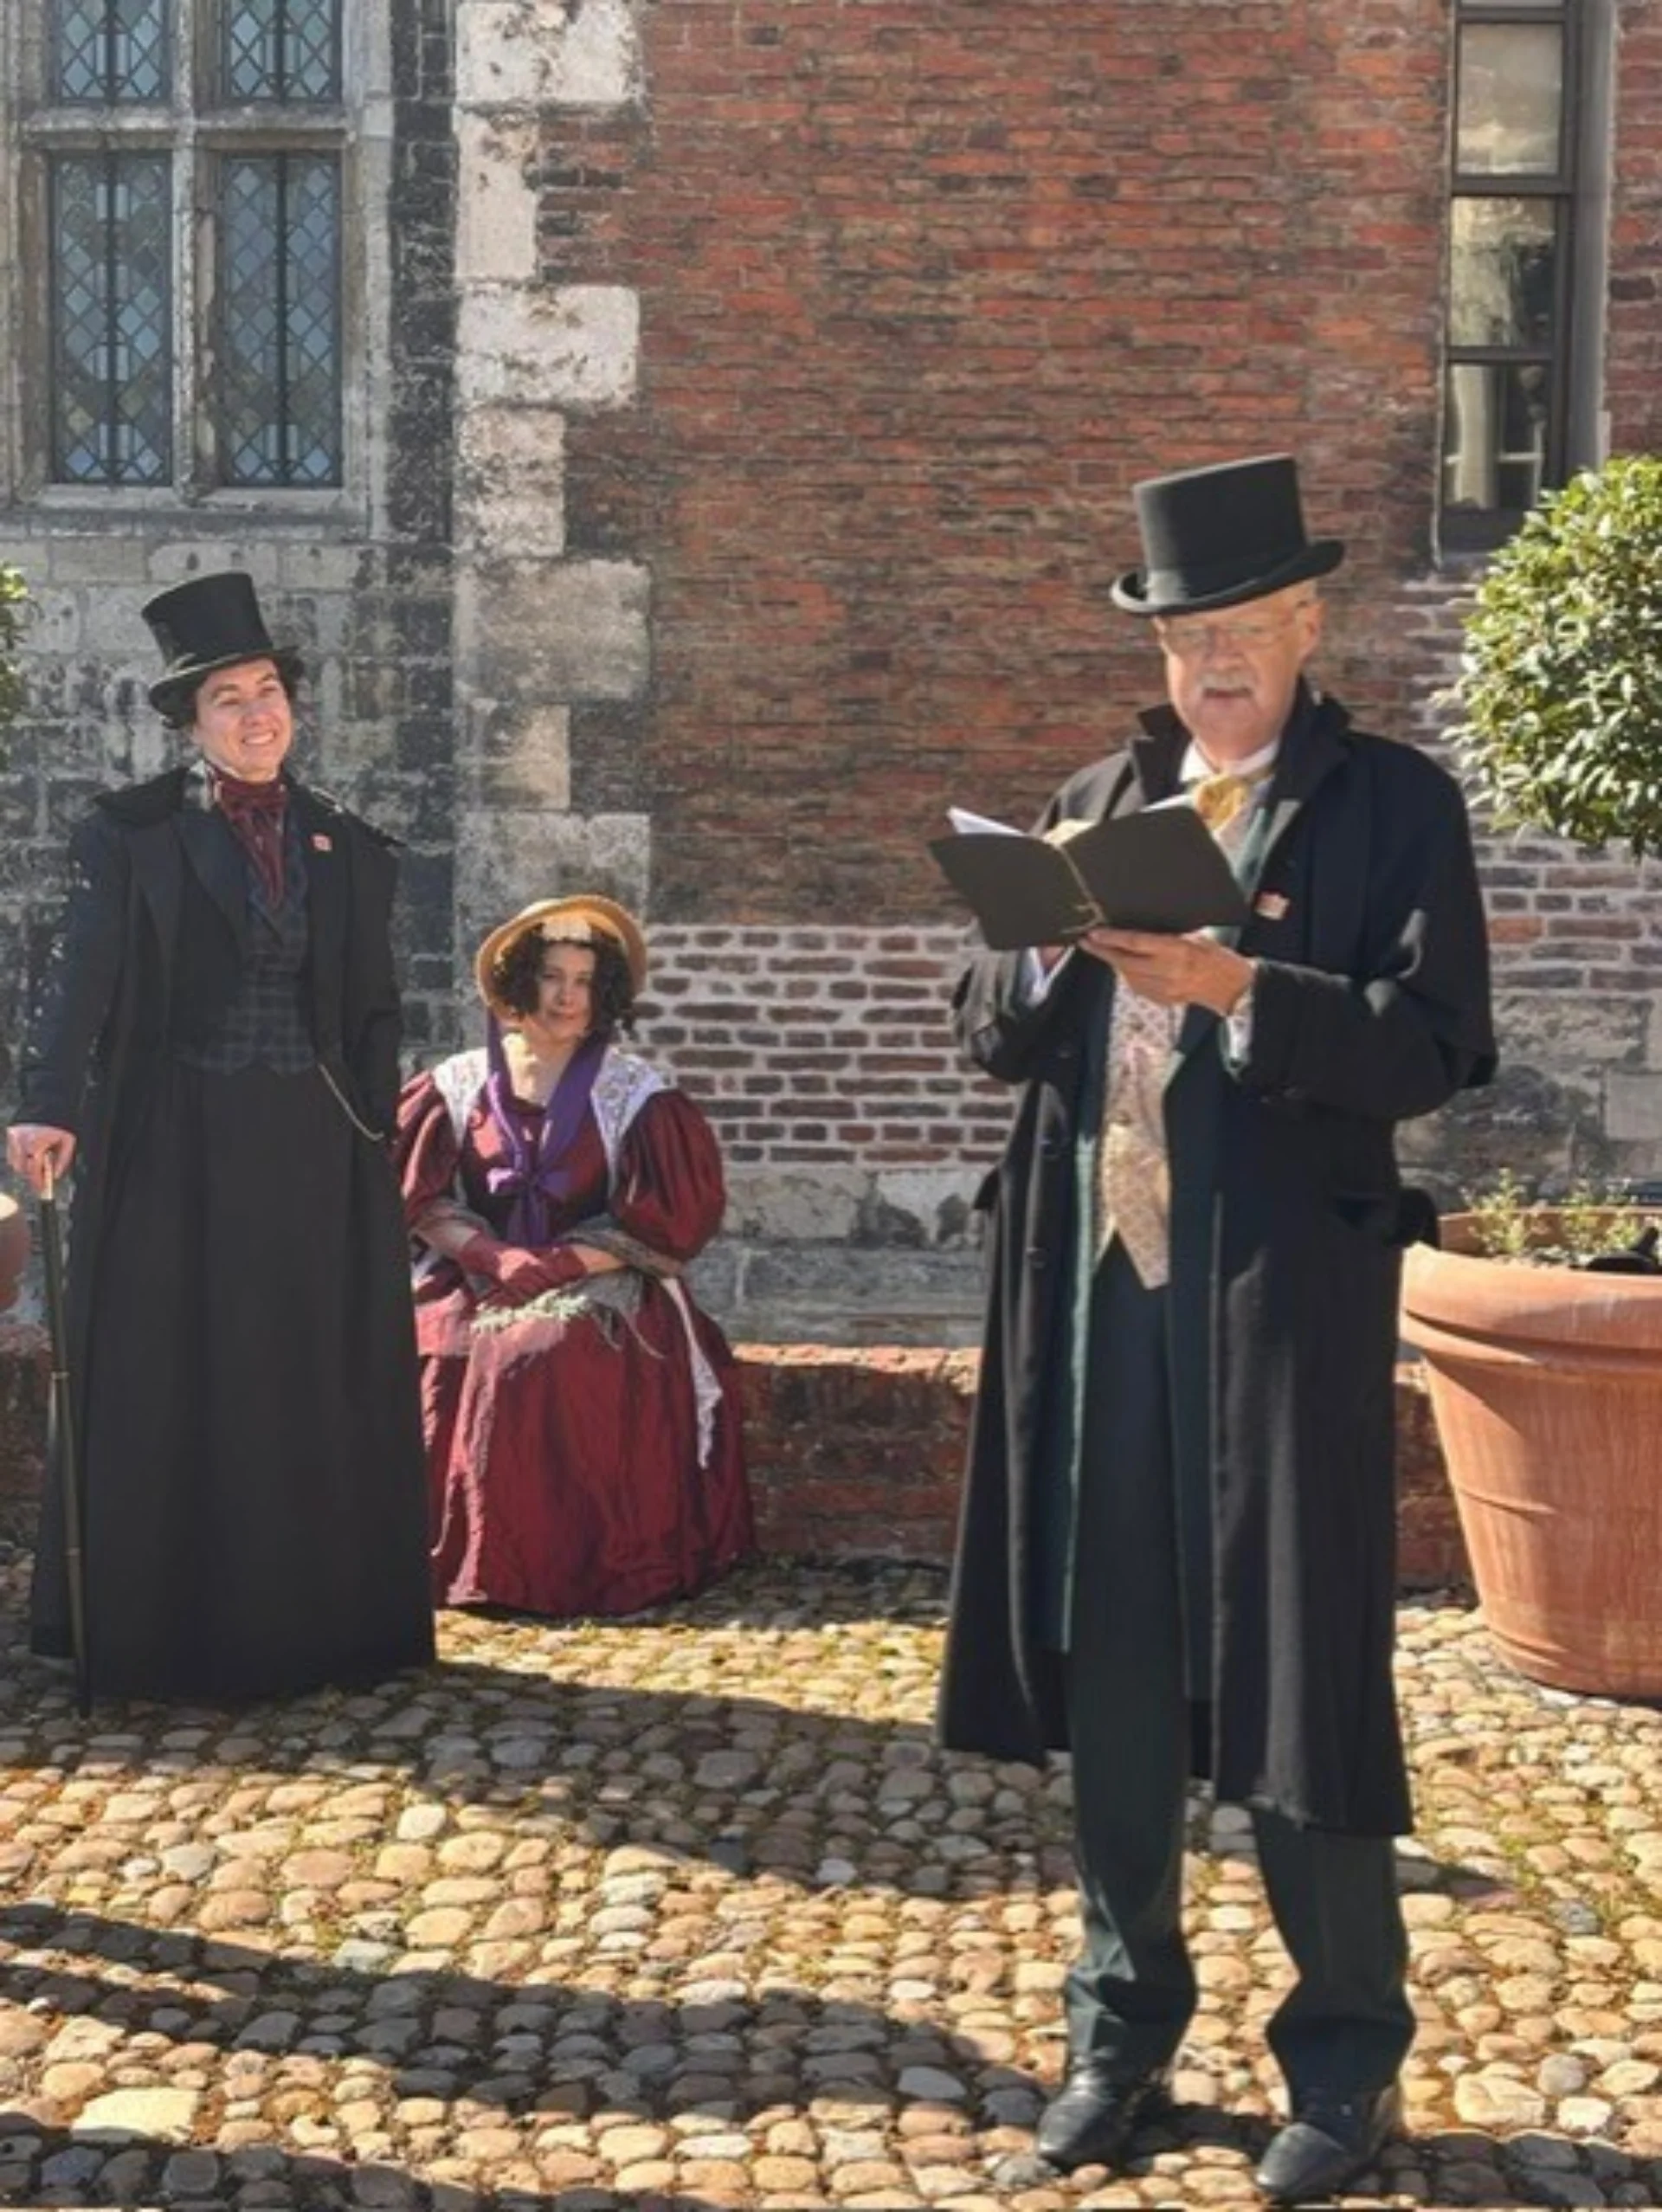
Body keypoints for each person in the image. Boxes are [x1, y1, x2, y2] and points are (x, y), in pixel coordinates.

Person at [937, 455, 1496, 2203]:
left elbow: (1433, 1045)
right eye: (1187, 636)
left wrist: (1243, 989)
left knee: (1298, 1673)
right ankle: (1120, 2028)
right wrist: (1043, 949)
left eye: (1243, 629)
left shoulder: (1391, 806)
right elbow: (988, 1023)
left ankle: (1342, 2057)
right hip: (1097, 1304)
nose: (1213, 664)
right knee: (1111, 1669)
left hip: (1274, 1307)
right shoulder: (1101, 788)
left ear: (1309, 625)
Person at [7, 571, 435, 1703]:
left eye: (268, 691)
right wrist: (47, 1100)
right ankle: (168, 1627)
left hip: (313, 1144)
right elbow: (80, 977)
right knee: (178, 1369)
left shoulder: (354, 846)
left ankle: (316, 1623)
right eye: (228, 700)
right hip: (175, 1142)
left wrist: (371, 1121)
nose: (257, 713)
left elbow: (377, 1005)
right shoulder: (133, 836)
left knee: (299, 1371)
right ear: (194, 725)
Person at [396, 894, 754, 1617]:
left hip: (602, 1271)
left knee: (549, 1347)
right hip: (475, 1264)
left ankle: (558, 1570)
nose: (567, 996)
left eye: (585, 980)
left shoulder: (636, 1095)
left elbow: (665, 1221)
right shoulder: (458, 1084)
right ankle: (439, 1557)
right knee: (440, 1343)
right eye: (553, 975)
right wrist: (496, 1257)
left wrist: (557, 1265)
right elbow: (414, 1195)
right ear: (520, 981)